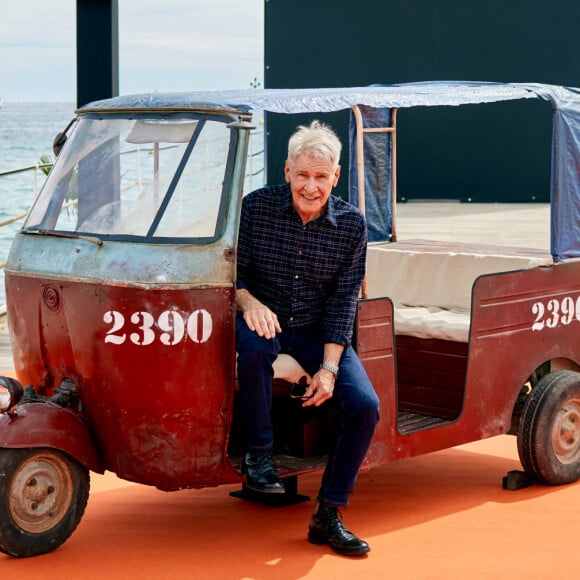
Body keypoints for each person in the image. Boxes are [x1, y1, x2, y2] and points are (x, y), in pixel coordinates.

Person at [236, 120, 380, 557]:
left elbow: (343, 301)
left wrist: (331, 368)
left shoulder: (353, 225)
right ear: (287, 172)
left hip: (318, 328)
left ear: (335, 177)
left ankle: (328, 514)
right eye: (303, 175)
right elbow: (233, 277)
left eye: (321, 176)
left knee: (364, 406)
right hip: (264, 316)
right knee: (256, 347)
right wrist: (249, 303)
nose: (311, 186)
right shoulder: (255, 208)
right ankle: (258, 454)